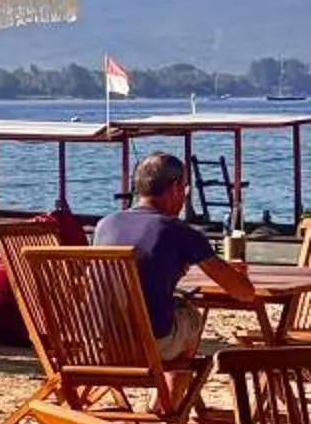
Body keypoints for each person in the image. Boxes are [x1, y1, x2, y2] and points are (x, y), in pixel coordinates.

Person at [93, 152, 259, 360]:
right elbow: (244, 293)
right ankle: (169, 394)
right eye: (185, 189)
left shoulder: (105, 225)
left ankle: (169, 393)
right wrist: (237, 275)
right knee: (190, 317)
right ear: (174, 188)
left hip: (102, 343)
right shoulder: (177, 230)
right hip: (149, 345)